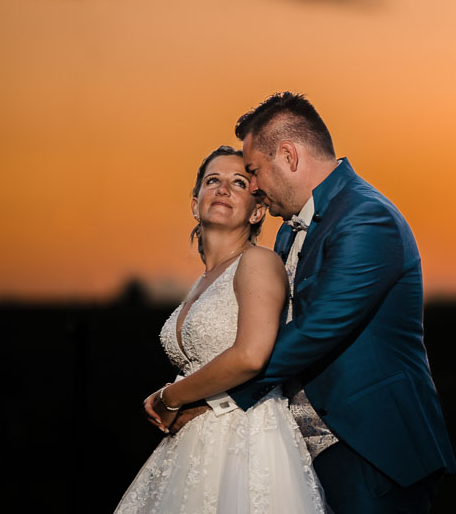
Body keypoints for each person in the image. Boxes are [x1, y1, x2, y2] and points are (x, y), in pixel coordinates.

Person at [171, 92, 456, 513]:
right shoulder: (289, 230)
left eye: (253, 171)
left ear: (288, 155)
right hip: (301, 452)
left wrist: (213, 398)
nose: (252, 186)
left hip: (370, 445)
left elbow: (316, 329)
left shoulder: (366, 217)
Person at [115, 145, 329, 514]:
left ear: (257, 209)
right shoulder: (203, 282)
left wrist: (171, 397)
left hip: (246, 441)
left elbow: (250, 355)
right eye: (213, 180)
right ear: (194, 202)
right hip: (194, 445)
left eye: (239, 183)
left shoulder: (258, 262)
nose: (223, 189)